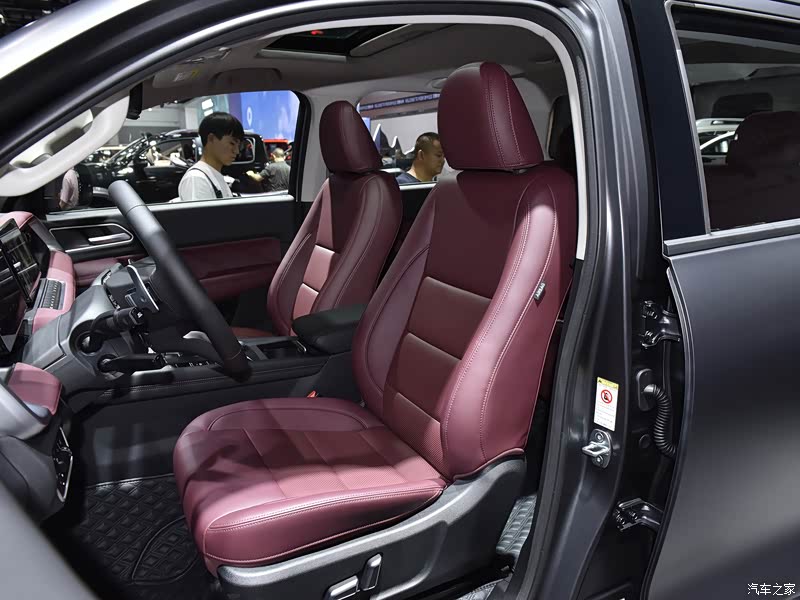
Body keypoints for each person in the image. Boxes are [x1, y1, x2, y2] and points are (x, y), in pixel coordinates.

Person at [177, 112, 244, 202]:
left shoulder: (214, 175)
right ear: (211, 138)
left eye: (238, 145)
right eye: (232, 143)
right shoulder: (197, 179)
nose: (236, 151)